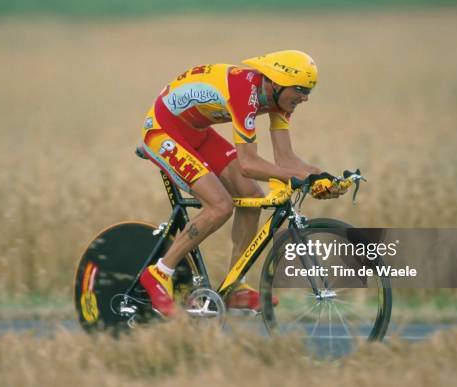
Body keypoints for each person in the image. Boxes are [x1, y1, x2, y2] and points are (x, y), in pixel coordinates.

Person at [139, 50, 341, 316]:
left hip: (196, 132)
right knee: (220, 205)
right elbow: (248, 164)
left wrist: (324, 178)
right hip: (163, 130)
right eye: (301, 90)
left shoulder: (280, 101)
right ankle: (160, 272)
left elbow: (286, 159)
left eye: (309, 91)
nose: (305, 98)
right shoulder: (245, 93)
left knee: (253, 197)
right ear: (276, 82)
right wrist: (297, 179)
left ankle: (235, 286)